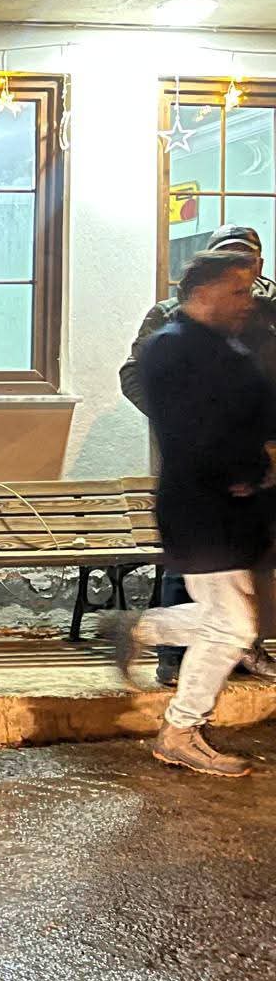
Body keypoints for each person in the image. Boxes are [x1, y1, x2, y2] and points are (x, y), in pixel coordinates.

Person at [113, 250, 276, 777]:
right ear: (204, 292)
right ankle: (181, 730)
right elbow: (197, 431)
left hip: (232, 506)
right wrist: (248, 466)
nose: (247, 301)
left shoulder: (223, 345)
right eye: (238, 290)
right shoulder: (173, 349)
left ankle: (140, 629)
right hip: (203, 507)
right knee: (232, 627)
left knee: (234, 620)